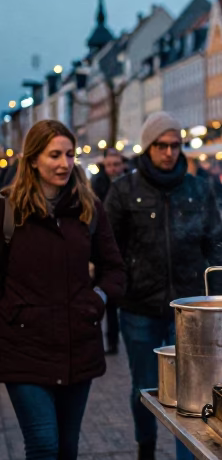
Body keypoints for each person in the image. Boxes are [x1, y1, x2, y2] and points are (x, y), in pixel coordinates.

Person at [0, 120, 125, 460]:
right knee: (43, 442)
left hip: (77, 342)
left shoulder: (88, 208)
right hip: (24, 346)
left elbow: (115, 269)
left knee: (68, 446)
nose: (64, 163)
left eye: (70, 154)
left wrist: (98, 300)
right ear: (32, 158)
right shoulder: (9, 211)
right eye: (54, 155)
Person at [105, 111, 222, 460]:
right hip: (140, 306)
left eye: (175, 145)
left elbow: (216, 243)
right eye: (162, 145)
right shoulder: (124, 191)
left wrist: (217, 302)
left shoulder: (198, 188)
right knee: (144, 387)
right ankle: (145, 449)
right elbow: (109, 250)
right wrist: (121, 286)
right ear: (148, 147)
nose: (170, 152)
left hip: (190, 309)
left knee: (190, 395)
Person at [92, 148, 126, 353]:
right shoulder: (98, 184)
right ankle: (110, 341)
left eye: (116, 164)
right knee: (108, 300)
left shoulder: (131, 183)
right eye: (109, 165)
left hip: (125, 249)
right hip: (103, 251)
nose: (112, 168)